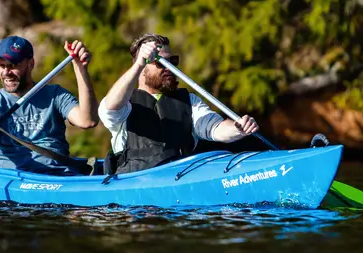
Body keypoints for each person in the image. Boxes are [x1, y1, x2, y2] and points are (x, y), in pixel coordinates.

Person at [97, 33, 259, 175]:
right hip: (135, 183)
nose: (169, 67)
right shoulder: (124, 103)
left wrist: (238, 129)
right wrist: (140, 63)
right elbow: (110, 108)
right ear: (141, 67)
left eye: (172, 61)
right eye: (160, 62)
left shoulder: (190, 101)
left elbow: (214, 128)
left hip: (180, 176)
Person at [0, 35, 97, 175]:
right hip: (12, 181)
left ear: (31, 64)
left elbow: (87, 121)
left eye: (13, 65)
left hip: (57, 177)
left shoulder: (55, 95)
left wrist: (80, 69)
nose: (6, 72)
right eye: (2, 65)